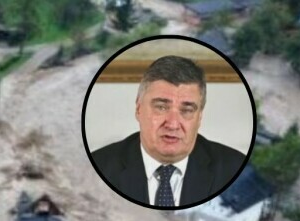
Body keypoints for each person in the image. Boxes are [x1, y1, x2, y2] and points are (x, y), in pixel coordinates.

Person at [90, 55, 246, 208]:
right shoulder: (99, 168)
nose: (172, 124)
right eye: (161, 107)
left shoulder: (234, 169)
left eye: (186, 110)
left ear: (199, 118)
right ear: (138, 109)